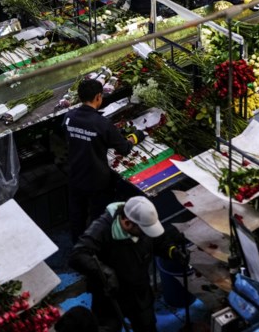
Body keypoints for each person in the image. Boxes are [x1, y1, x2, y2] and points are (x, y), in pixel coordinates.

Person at [68, 196, 185, 332]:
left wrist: (172, 251)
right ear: (127, 223)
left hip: (139, 292)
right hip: (110, 297)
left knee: (147, 326)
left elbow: (158, 240)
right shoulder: (102, 229)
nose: (145, 234)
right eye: (143, 230)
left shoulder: (142, 223)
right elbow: (77, 255)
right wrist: (106, 273)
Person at [62, 78, 141, 239]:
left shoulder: (68, 117)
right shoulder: (102, 123)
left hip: (75, 176)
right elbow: (124, 149)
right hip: (96, 180)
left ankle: (78, 246)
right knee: (98, 217)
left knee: (77, 215)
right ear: (98, 97)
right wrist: (135, 136)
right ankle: (95, 247)